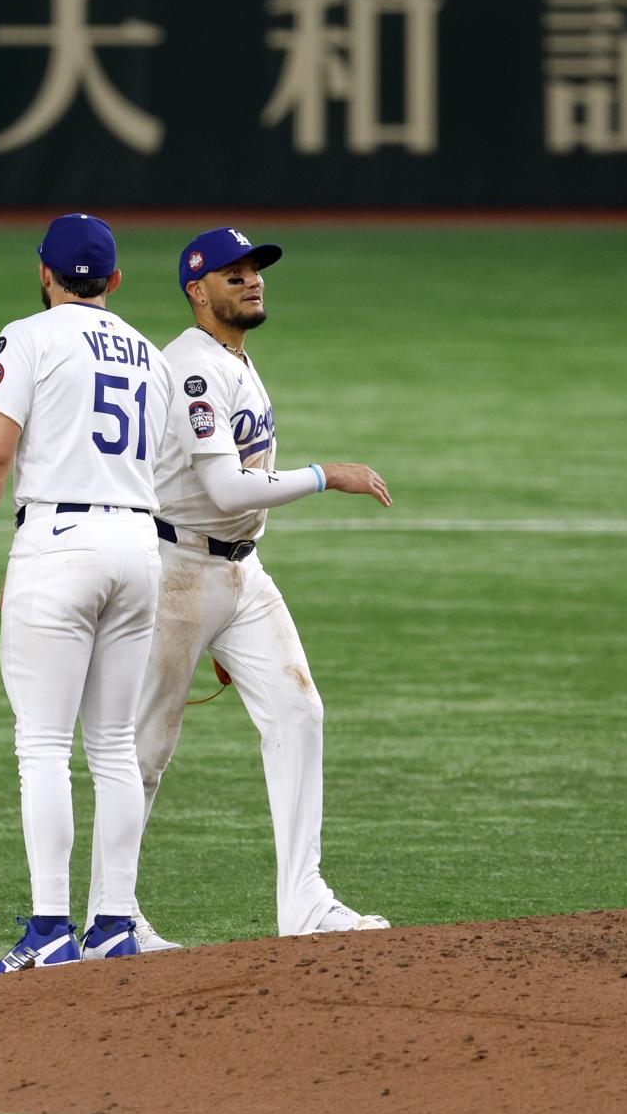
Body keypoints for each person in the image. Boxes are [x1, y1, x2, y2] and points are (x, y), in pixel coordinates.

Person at [86, 228, 395, 950]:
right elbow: (224, 485)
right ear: (198, 290)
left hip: (236, 573)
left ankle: (306, 902)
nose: (252, 280)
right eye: (234, 274)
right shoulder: (193, 368)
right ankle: (112, 917)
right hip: (175, 574)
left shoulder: (235, 361)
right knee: (145, 748)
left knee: (297, 709)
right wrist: (327, 474)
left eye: (255, 269)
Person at [0, 213, 169, 973]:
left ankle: (52, 928)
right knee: (113, 745)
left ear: (45, 275)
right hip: (138, 546)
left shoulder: (30, 334)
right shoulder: (150, 353)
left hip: (61, 544)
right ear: (114, 281)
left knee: (44, 747)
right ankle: (113, 921)